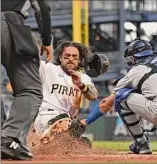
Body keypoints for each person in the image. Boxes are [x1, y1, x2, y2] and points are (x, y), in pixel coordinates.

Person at [1, 0, 52, 160]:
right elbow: (42, 8)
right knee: (30, 89)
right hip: (7, 22)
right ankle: (9, 138)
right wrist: (46, 41)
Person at [33, 41, 99, 145]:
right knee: (68, 121)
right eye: (67, 56)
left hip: (66, 121)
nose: (71, 59)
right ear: (60, 57)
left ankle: (47, 144)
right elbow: (30, 61)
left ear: (79, 60)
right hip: (46, 116)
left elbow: (94, 95)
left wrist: (81, 85)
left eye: (74, 56)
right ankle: (48, 135)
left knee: (85, 144)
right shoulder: (48, 68)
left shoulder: (83, 78)